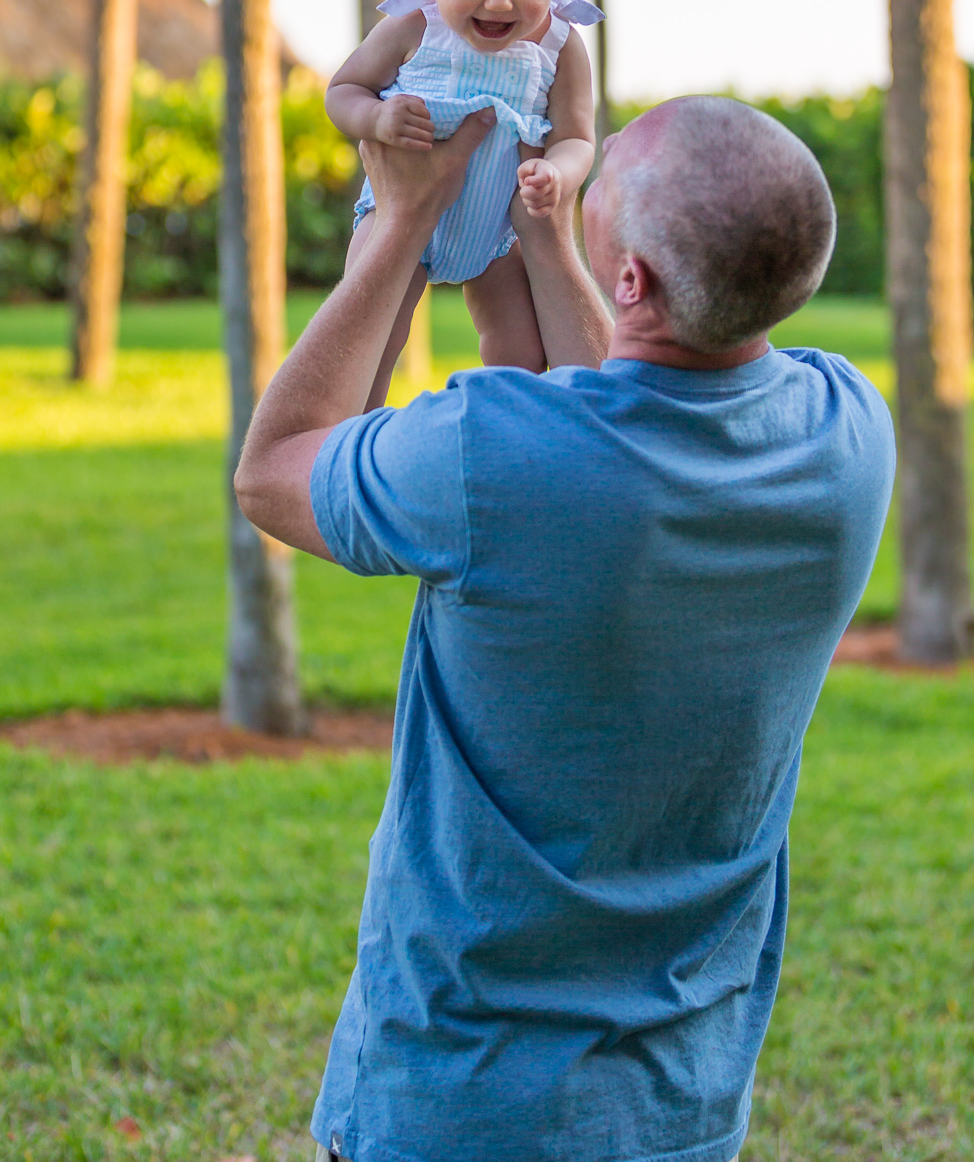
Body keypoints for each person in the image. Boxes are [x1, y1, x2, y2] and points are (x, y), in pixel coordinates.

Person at [234, 95, 896, 1162]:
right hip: (682, 1103)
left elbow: (272, 475)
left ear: (629, 281)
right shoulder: (846, 432)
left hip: (459, 1101)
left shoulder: (485, 452)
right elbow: (622, 414)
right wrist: (547, 239)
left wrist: (404, 224)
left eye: (603, 174)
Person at [325, 0, 604, 405]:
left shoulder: (559, 43)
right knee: (378, 334)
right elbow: (343, 90)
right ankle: (357, 427)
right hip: (395, 214)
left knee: (520, 345)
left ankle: (508, 422)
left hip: (499, 230)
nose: (499, 4)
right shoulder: (413, 26)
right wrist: (378, 118)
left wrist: (559, 174)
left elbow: (576, 135)